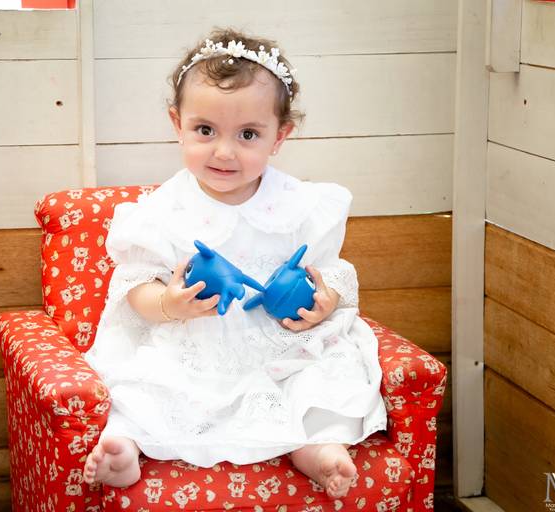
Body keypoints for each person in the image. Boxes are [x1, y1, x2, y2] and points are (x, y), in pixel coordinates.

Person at [82, 28, 387, 499]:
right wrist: (169, 302)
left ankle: (316, 449)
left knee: (324, 376)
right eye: (205, 131)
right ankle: (125, 447)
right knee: (150, 386)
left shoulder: (302, 206)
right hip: (195, 343)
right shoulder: (162, 212)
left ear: (279, 136)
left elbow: (334, 274)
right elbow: (133, 285)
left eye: (248, 135)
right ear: (176, 123)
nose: (224, 152)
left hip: (280, 342)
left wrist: (323, 304)